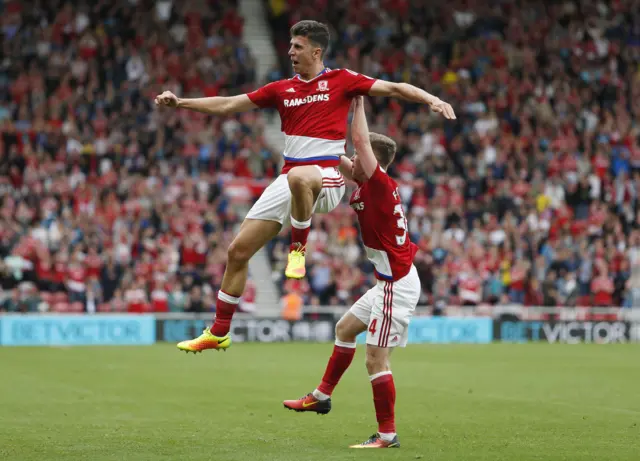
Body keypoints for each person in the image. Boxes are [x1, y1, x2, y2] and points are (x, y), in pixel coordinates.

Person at [154, 20, 455, 354]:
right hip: (290, 178)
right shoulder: (281, 89)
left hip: (327, 178)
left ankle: (298, 250)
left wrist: (432, 99)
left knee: (301, 177)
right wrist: (180, 102)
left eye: (297, 47)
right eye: (290, 46)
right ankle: (219, 331)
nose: (290, 52)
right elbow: (227, 104)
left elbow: (397, 88)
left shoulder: (342, 80)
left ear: (316, 50)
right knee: (237, 251)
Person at [283, 97, 425, 448]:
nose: (353, 159)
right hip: (388, 281)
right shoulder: (367, 180)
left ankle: (387, 435)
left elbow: (360, 143)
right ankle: (321, 395)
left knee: (375, 359)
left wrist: (356, 99)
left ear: (371, 161)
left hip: (397, 284)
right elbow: (338, 157)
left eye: (359, 156)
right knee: (345, 328)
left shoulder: (378, 183)